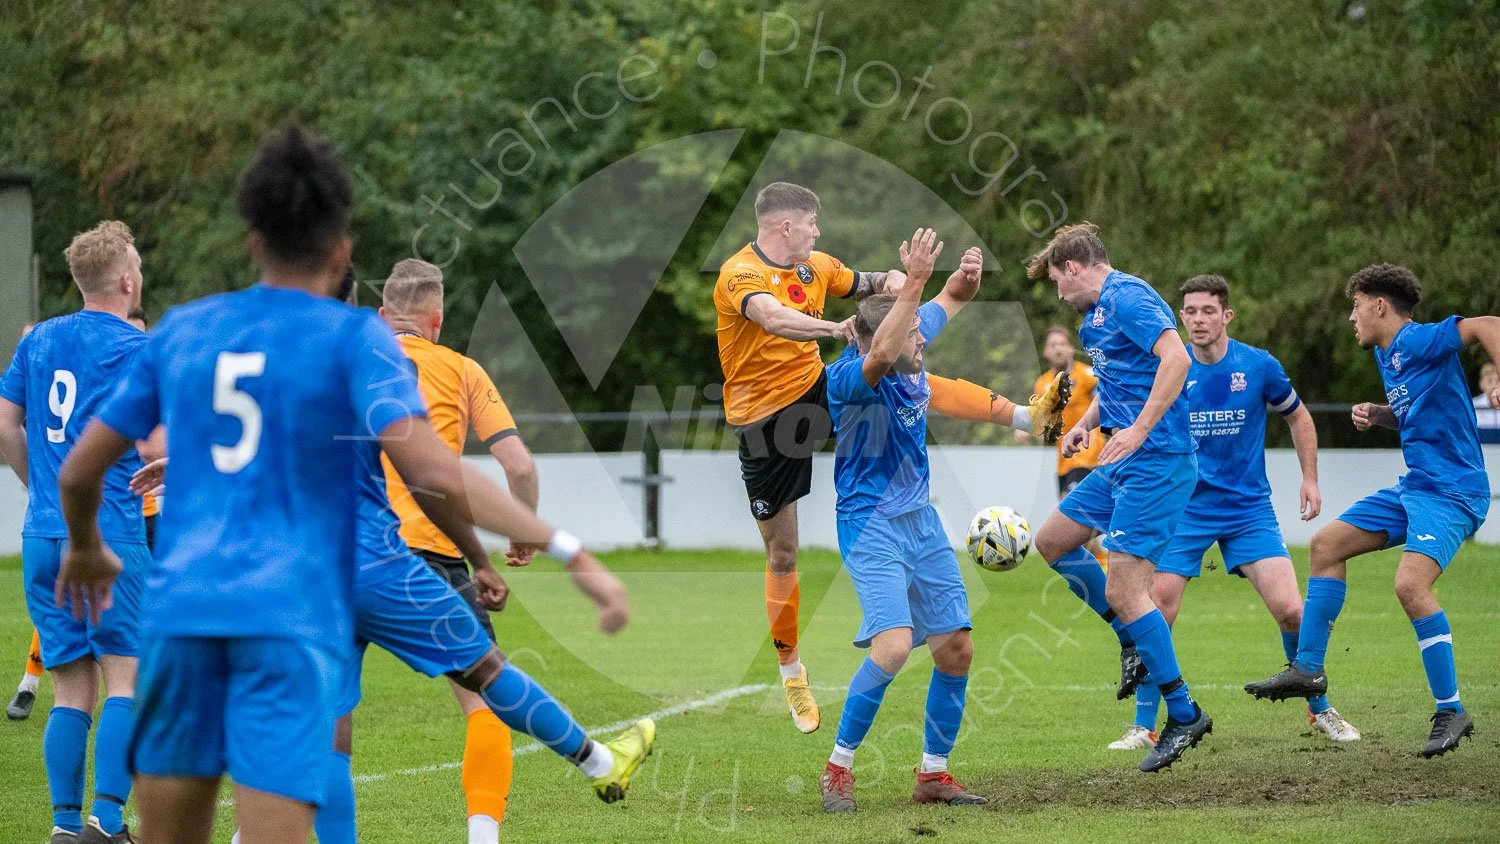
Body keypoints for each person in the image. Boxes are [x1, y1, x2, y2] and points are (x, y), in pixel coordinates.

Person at [53, 125, 641, 844]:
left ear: (253, 244)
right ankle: (591, 760)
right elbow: (434, 470)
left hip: (182, 614)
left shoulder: (183, 330)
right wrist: (565, 547)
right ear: (341, 252)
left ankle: (594, 757)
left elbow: (80, 469)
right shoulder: (356, 338)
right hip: (287, 619)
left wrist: (85, 546)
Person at [1245, 263, 1500, 758]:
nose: (1351, 317)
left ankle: (1451, 709)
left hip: (1453, 492)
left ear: (1379, 306)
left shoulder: (1418, 339)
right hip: (1417, 486)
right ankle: (1309, 668)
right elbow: (1422, 415)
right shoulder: (1388, 355)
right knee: (1326, 546)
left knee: (1410, 585)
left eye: (1356, 306)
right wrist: (1382, 414)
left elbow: (1489, 325)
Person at [1109, 274, 1359, 752]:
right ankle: (1144, 725)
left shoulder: (1258, 365)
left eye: (1208, 310)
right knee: (1157, 607)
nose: (1198, 319)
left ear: (1227, 315)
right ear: (1180, 317)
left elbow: (1298, 416)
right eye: (1190, 311)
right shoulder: (1170, 368)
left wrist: (1309, 477)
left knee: (1291, 610)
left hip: (1247, 510)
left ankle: (1320, 708)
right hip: (1184, 508)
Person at [1027, 222, 1210, 773]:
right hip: (1120, 460)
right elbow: (1118, 384)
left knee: (1126, 589)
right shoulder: (1095, 317)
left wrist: (1140, 429)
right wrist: (1087, 424)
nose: (1060, 294)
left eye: (1058, 281)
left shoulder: (1129, 297)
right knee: (1052, 541)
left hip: (1158, 460)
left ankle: (1184, 714)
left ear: (1074, 267)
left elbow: (1177, 359)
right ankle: (1131, 639)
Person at [713, 182, 895, 733]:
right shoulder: (739, 274)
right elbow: (773, 318)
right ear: (785, 226)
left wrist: (898, 280)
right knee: (783, 552)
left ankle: (1017, 415)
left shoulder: (817, 266)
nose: (818, 232)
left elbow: (866, 282)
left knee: (890, 389)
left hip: (817, 389)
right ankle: (791, 669)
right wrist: (834, 327)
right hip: (763, 420)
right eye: (812, 223)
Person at [819, 229, 990, 813]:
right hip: (869, 524)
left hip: (920, 521)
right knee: (892, 646)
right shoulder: (847, 378)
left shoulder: (910, 334)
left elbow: (950, 301)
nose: (923, 339)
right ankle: (838, 770)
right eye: (911, 330)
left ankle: (933, 775)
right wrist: (914, 280)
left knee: (956, 648)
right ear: (874, 337)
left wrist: (963, 280)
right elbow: (882, 356)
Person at [0, 222, 150, 843]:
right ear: (126, 281)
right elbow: (159, 442)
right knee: (126, 678)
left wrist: (43, 489)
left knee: (69, 689)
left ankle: (64, 827)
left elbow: (6, 425)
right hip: (110, 530)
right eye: (137, 265)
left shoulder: (38, 340)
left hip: (42, 533)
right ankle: (107, 823)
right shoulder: (138, 347)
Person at [1470, 362, 1500, 443]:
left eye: (1497, 381)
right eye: (1489, 381)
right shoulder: (1474, 405)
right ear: (1481, 384)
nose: (1494, 385)